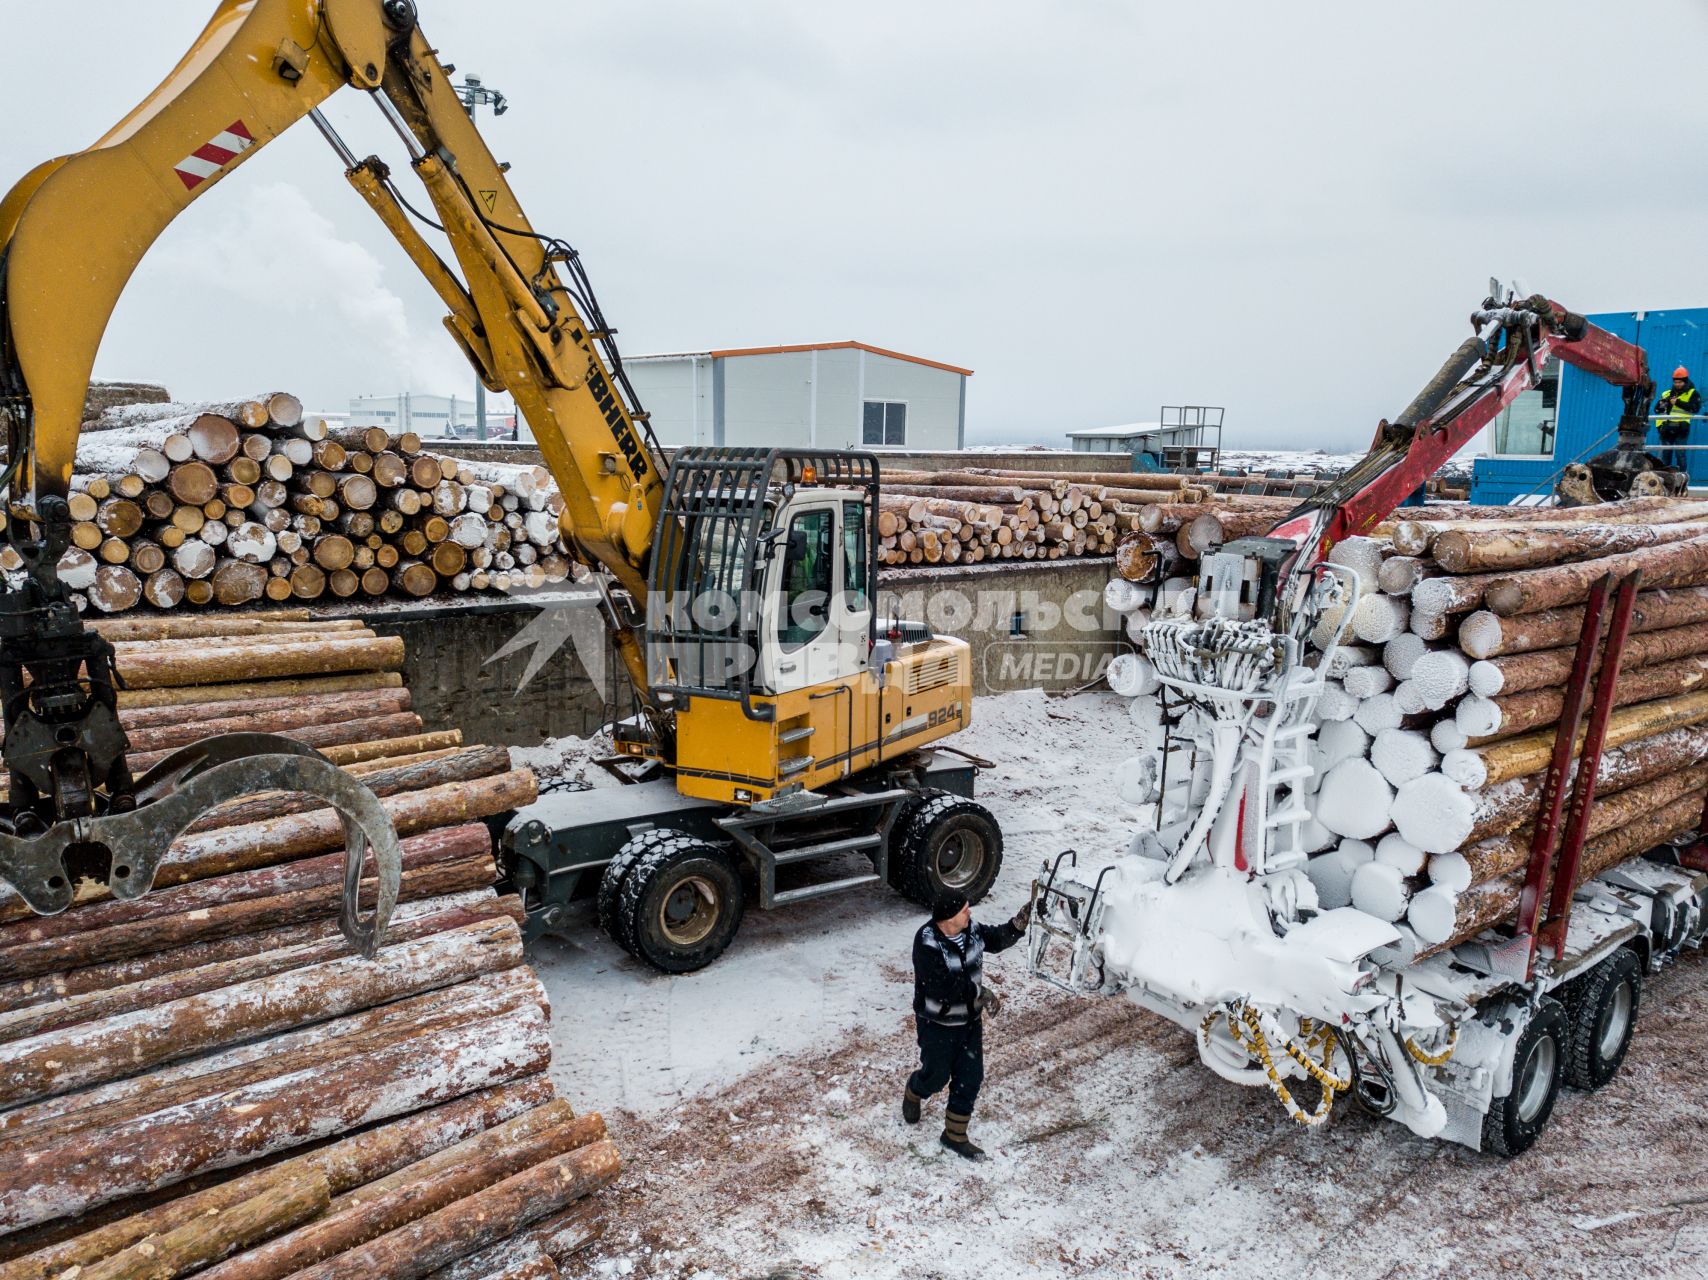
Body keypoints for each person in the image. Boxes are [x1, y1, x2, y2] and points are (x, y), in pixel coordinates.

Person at [902, 890, 1032, 1159]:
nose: (969, 913)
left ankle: (954, 1135)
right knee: (936, 1076)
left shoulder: (971, 930)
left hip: (969, 1023)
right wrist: (980, 993)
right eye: (964, 909)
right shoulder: (927, 942)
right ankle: (916, 1089)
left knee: (970, 1077)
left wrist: (1018, 924)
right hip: (937, 1024)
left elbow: (995, 939)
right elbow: (941, 987)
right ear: (949, 917)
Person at [1654, 366, 1702, 471]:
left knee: (1680, 455)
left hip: (1682, 429)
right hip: (1667, 428)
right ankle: (1664, 479)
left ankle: (1682, 478)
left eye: (1680, 382)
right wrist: (1660, 426)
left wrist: (1678, 403)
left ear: (1685, 381)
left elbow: (1695, 409)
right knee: (1665, 456)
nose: (1677, 384)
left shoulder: (1693, 393)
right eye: (1675, 382)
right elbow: (1658, 411)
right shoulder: (1666, 394)